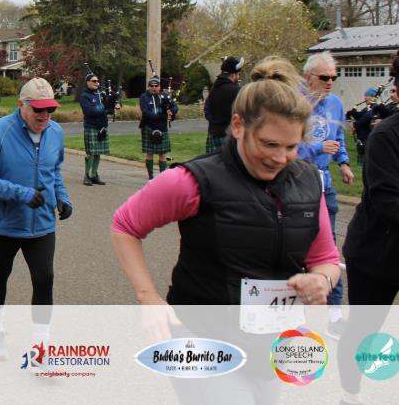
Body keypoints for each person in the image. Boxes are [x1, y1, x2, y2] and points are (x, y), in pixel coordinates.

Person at [111, 57, 340, 403]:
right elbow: (125, 225)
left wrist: (321, 280)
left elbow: (326, 257)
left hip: (274, 342)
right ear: (238, 125)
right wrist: (149, 298)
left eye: (291, 147)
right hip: (202, 336)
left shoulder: (308, 181)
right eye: (269, 144)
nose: (280, 158)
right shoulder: (192, 180)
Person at [338, 46, 399, 405]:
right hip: (377, 252)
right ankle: (350, 395)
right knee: (364, 330)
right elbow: (390, 201)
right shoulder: (387, 136)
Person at [0, 77, 72, 360]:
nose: (45, 115)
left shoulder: (55, 132)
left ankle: (41, 347)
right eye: (38, 109)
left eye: (50, 109)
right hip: (5, 223)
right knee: (0, 275)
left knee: (44, 278)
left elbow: (54, 171)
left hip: (42, 223)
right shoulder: (1, 130)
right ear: (21, 105)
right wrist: (21, 193)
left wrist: (63, 198)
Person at [298, 51, 354, 339]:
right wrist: (317, 149)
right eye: (324, 77)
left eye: (334, 77)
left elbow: (338, 138)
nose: (330, 82)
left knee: (329, 249)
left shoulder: (335, 104)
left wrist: (343, 162)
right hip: (297, 181)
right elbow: (286, 146)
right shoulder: (294, 102)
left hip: (324, 182)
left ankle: (334, 314)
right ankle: (295, 315)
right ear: (309, 77)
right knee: (295, 247)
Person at [78, 71, 118, 185]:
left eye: (97, 81)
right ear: (87, 82)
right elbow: (90, 111)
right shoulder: (84, 96)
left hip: (102, 126)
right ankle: (87, 176)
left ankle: (94, 175)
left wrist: (114, 99)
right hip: (91, 126)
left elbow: (110, 107)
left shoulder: (101, 94)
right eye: (94, 81)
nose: (97, 83)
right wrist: (105, 108)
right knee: (91, 152)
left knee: (97, 152)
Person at [139, 76, 178, 179]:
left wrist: (171, 111)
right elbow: (146, 112)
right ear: (148, 87)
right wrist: (163, 116)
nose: (154, 88)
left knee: (162, 154)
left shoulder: (164, 96)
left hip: (162, 127)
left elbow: (175, 106)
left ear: (159, 87)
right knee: (149, 153)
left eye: (156, 86)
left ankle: (162, 178)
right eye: (151, 86)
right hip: (149, 127)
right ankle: (151, 177)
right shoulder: (144, 97)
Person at [204, 56, 243, 154]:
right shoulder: (236, 90)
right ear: (233, 75)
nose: (239, 77)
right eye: (238, 74)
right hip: (228, 135)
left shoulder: (215, 88)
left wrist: (214, 121)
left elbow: (207, 109)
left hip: (213, 132)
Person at [345, 86, 381, 168]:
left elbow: (364, 119)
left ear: (373, 97)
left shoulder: (375, 108)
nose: (365, 97)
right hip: (362, 138)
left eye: (367, 95)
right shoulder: (367, 108)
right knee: (361, 164)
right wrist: (352, 112)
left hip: (368, 138)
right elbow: (360, 116)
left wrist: (354, 125)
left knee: (366, 164)